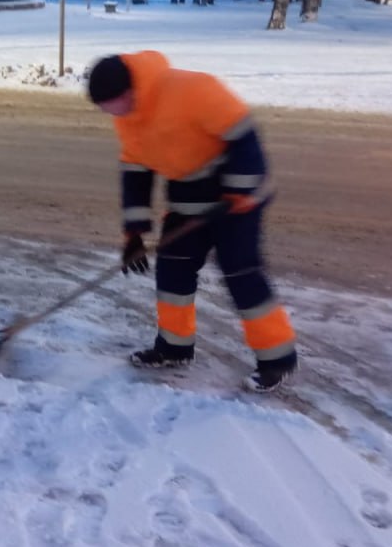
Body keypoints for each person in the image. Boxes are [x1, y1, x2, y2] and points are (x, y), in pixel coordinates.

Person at [87, 51, 298, 393]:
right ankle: (174, 347)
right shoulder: (128, 118)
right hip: (187, 196)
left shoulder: (190, 89)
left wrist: (239, 189)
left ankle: (278, 358)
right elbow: (136, 172)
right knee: (173, 270)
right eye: (105, 108)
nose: (111, 113)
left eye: (112, 104)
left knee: (240, 273)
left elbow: (244, 134)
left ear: (129, 91)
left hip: (235, 197)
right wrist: (135, 233)